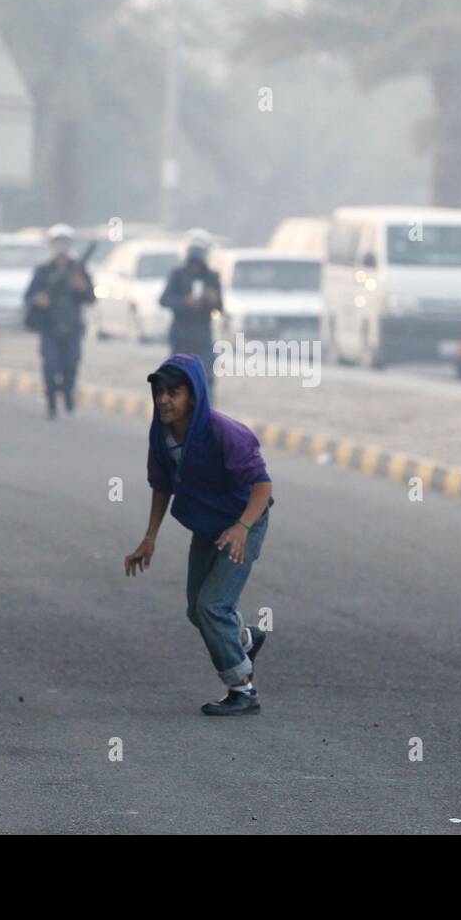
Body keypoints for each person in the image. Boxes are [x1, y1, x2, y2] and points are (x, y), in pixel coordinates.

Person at [124, 354, 274, 716]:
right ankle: (244, 638)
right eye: (159, 392)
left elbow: (263, 486)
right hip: (208, 526)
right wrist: (150, 537)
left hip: (244, 523)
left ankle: (243, 688)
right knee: (197, 610)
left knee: (213, 606)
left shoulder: (224, 432)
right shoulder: (161, 435)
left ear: (194, 395)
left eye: (173, 392)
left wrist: (242, 527)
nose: (163, 400)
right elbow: (162, 485)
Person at [23, 224, 94, 418]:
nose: (61, 246)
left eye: (65, 241)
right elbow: (29, 296)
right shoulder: (44, 271)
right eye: (58, 241)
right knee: (50, 366)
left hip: (72, 328)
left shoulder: (78, 270)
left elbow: (91, 298)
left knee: (71, 365)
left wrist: (82, 288)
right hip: (49, 327)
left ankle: (68, 394)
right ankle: (52, 401)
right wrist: (39, 299)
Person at [159, 230, 222, 401]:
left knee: (206, 376)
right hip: (181, 334)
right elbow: (164, 300)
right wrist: (185, 302)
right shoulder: (178, 275)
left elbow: (219, 307)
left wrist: (212, 299)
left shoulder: (212, 277)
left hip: (202, 334)